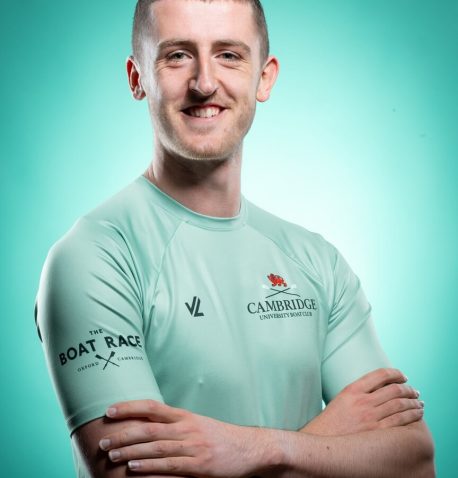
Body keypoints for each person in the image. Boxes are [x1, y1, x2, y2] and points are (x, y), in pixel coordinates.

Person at [35, 0, 435, 477]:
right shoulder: (94, 259)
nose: (204, 83)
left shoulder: (317, 261)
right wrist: (329, 440)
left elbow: (415, 461)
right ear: (137, 78)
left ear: (264, 77)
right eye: (177, 55)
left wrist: (256, 449)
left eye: (229, 55)